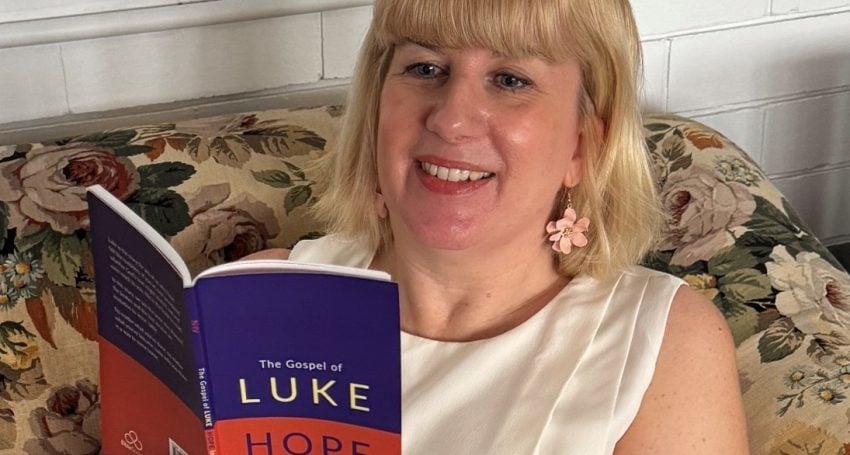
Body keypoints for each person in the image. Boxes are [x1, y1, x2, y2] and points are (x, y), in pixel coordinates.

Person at [249, 0, 749, 452]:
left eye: (510, 79)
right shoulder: (259, 298)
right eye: (425, 68)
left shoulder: (659, 342)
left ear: (582, 146)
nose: (452, 119)